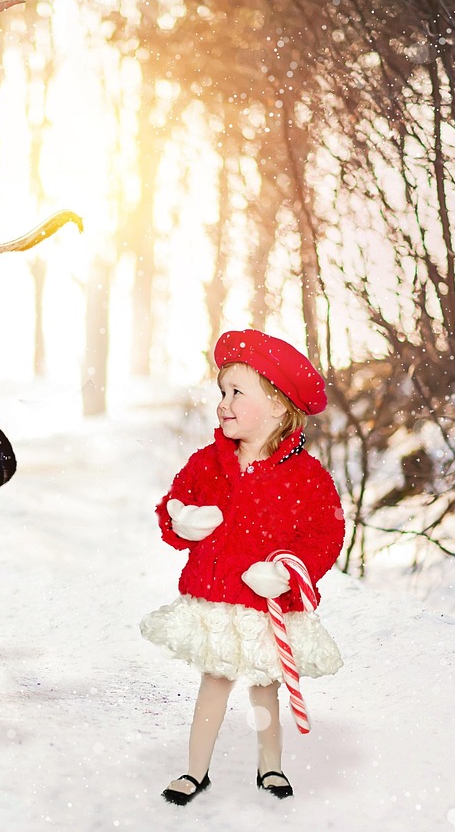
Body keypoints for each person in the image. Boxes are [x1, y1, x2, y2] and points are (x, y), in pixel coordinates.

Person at [141, 329, 345, 805]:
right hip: (217, 600)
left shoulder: (307, 478)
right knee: (214, 682)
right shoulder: (208, 463)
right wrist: (181, 519)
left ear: (277, 406)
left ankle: (270, 767)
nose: (224, 404)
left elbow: (326, 535)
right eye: (222, 393)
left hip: (266, 605)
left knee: (265, 687)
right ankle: (195, 771)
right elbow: (175, 503)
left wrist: (290, 569)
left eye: (237, 393)